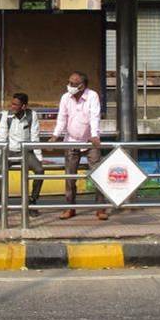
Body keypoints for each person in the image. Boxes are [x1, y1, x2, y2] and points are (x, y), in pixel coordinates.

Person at [49, 71, 106, 220]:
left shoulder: (92, 96)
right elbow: (61, 118)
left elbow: (95, 116)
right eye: (69, 83)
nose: (70, 86)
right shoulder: (65, 97)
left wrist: (94, 134)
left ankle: (100, 208)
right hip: (71, 140)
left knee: (97, 174)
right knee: (70, 177)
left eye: (73, 84)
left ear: (82, 85)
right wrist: (55, 135)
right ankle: (70, 208)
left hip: (90, 141)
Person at [0, 92, 44, 219]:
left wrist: (39, 158)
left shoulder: (32, 115)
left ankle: (32, 202)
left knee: (39, 171)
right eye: (12, 103)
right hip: (9, 150)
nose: (12, 106)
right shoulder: (6, 116)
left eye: (15, 104)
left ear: (23, 106)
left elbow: (35, 137)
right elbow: (1, 137)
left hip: (26, 150)